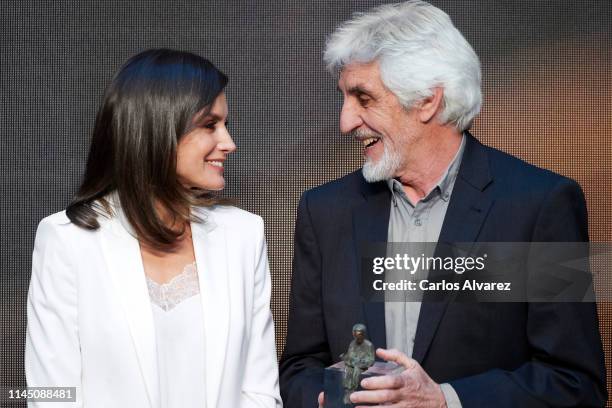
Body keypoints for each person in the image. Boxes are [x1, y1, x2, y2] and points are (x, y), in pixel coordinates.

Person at [279, 2, 606, 407]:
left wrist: (444, 400)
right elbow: (299, 369)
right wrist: (330, 399)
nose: (346, 121)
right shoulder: (326, 211)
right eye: (346, 98)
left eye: (364, 98)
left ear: (428, 101)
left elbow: (574, 383)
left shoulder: (537, 206)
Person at [26, 49, 282, 408]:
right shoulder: (66, 240)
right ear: (158, 125)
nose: (228, 143)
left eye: (225, 125)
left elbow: (259, 391)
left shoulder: (244, 235)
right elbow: (51, 394)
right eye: (210, 125)